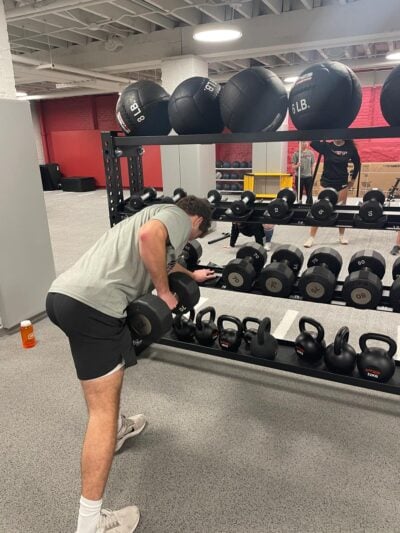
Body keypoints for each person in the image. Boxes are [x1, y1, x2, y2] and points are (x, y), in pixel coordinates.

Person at [46, 196, 216, 533]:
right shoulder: (178, 218)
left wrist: (189, 273)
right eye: (198, 233)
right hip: (97, 309)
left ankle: (119, 428)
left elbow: (162, 257)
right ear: (196, 218)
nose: (191, 238)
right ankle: (90, 524)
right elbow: (149, 239)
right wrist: (164, 293)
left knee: (105, 382)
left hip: (63, 297)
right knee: (101, 412)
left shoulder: (147, 215)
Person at [304, 139, 361, 248]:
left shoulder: (350, 148)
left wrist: (353, 179)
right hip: (326, 182)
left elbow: (357, 163)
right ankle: (311, 237)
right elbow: (312, 141)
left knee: (341, 210)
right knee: (319, 208)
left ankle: (341, 236)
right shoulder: (326, 146)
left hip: (341, 183)